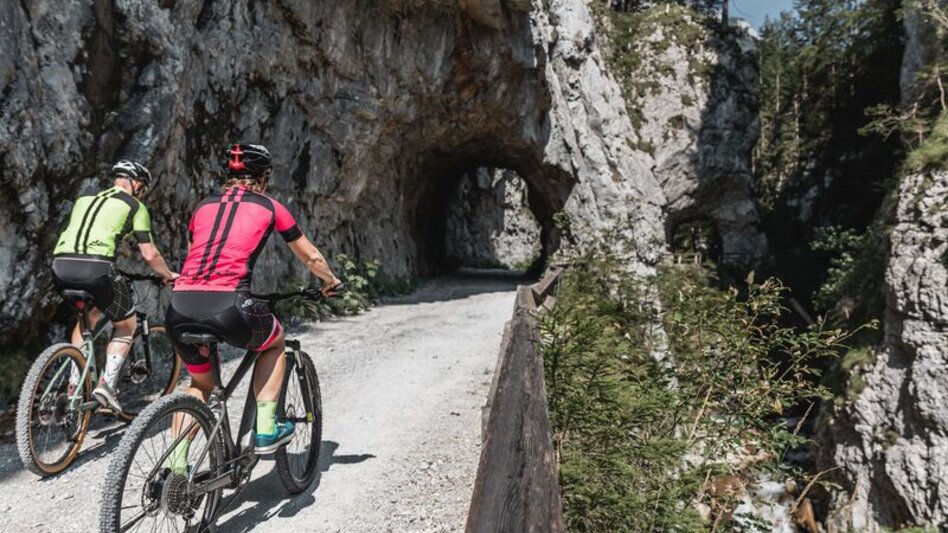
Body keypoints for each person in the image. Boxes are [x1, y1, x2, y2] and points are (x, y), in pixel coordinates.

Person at [166, 142, 342, 471]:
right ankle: (265, 430)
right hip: (229, 305)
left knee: (199, 385)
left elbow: (196, 255)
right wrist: (330, 281)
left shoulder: (202, 207)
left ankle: (176, 469)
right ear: (262, 177)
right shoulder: (271, 207)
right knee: (274, 341)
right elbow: (311, 256)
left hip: (180, 305)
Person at [52, 160, 178, 414]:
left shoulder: (84, 200)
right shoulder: (135, 206)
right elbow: (149, 254)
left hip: (60, 266)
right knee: (125, 325)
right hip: (97, 270)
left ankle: (73, 384)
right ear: (138, 184)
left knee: (88, 317)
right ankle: (106, 386)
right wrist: (168, 274)